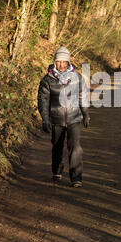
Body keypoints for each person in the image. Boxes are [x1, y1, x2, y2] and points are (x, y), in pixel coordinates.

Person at [37, 46, 90, 187]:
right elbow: (43, 101)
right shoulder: (48, 80)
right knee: (57, 146)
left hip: (74, 118)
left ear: (68, 62)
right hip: (56, 118)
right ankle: (57, 170)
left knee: (75, 147)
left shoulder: (77, 77)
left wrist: (85, 113)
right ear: (55, 62)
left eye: (64, 61)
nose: (61, 64)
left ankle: (76, 177)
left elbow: (83, 96)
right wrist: (45, 119)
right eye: (58, 62)